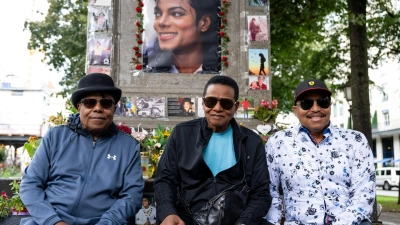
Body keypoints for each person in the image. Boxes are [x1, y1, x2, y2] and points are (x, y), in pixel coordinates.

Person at [20, 73, 144, 225]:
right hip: (51, 220)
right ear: (79, 107)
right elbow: (31, 183)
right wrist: (52, 221)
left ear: (114, 108)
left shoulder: (128, 146)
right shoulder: (56, 136)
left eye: (105, 103)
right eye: (90, 102)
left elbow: (132, 196)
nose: (98, 108)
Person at [155, 75, 272, 225]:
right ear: (203, 103)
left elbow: (261, 193)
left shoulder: (252, 142)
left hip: (236, 220)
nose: (217, 108)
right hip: (188, 218)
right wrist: (168, 213)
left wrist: (244, 222)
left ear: (235, 107)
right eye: (211, 101)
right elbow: (165, 179)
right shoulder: (182, 133)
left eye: (226, 103)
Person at [264, 79, 376, 225]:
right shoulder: (278, 142)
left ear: (330, 105)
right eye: (306, 103)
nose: (315, 108)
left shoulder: (355, 140)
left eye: (322, 101)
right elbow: (269, 191)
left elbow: (364, 192)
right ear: (295, 110)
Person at [147, 0, 220, 74]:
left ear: (204, 23)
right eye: (158, 14)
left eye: (176, 14)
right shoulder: (147, 67)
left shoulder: (221, 69)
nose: (161, 22)